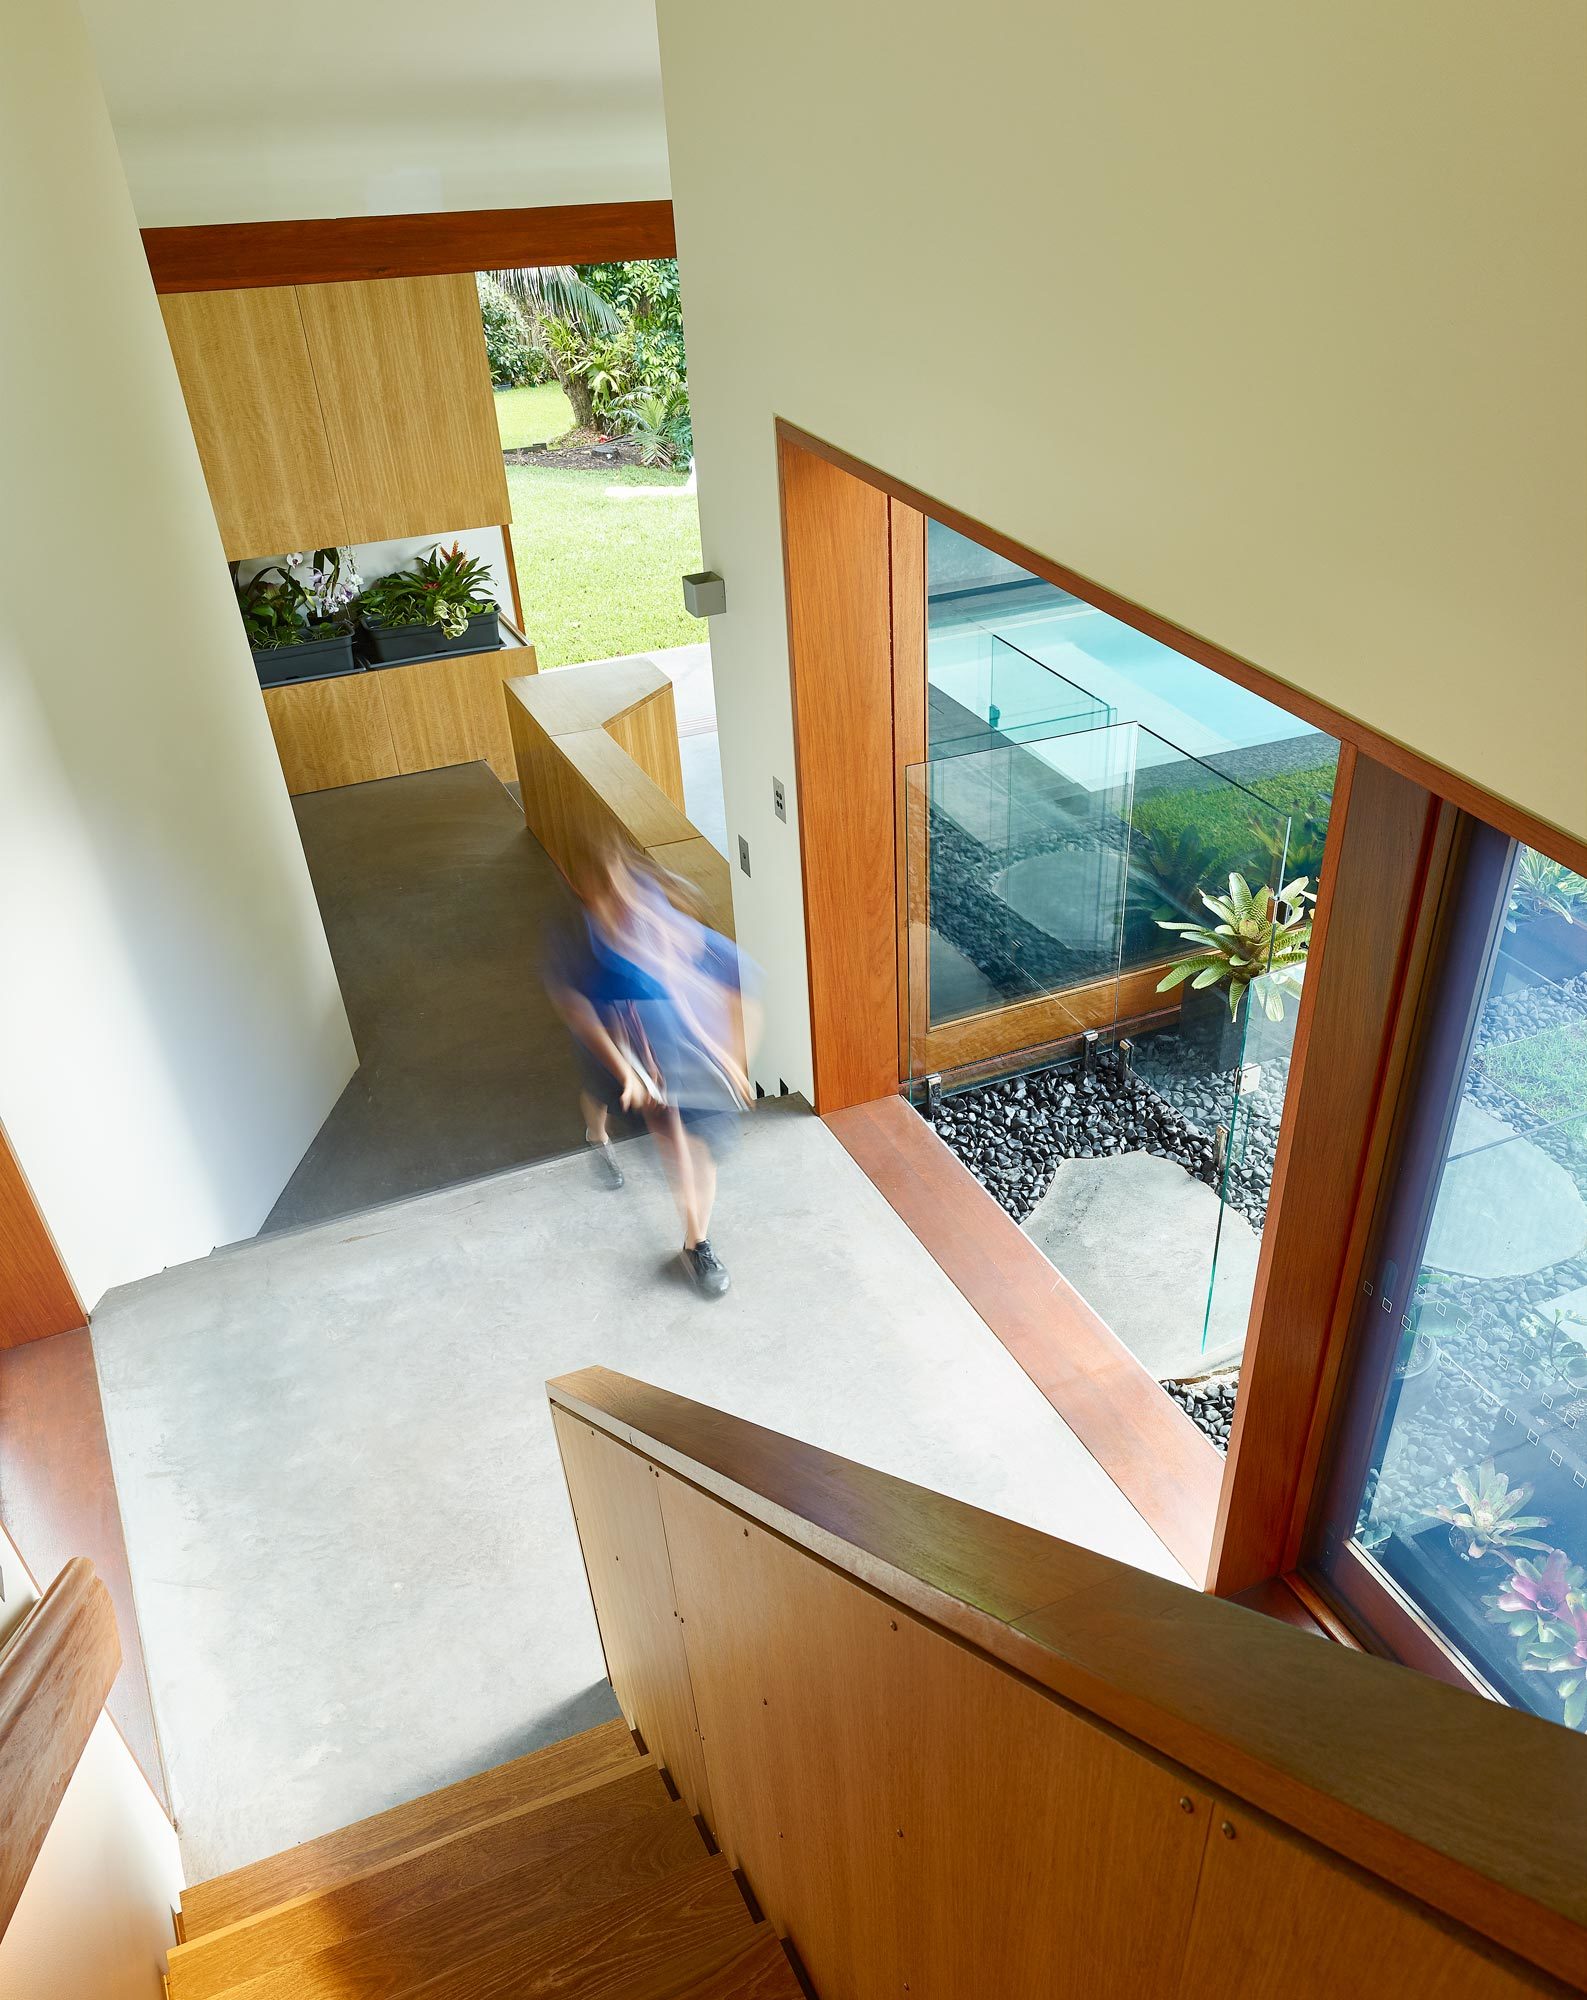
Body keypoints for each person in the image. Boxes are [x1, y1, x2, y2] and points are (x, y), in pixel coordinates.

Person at [546, 838, 757, 1298]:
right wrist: (625, 1071)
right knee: (598, 1096)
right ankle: (596, 1137)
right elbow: (582, 1015)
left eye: (622, 882)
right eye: (605, 889)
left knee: (685, 1140)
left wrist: (722, 1054)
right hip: (609, 1036)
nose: (619, 897)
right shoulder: (573, 942)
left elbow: (682, 981)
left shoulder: (651, 911)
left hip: (660, 1036)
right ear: (582, 888)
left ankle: (697, 1243)